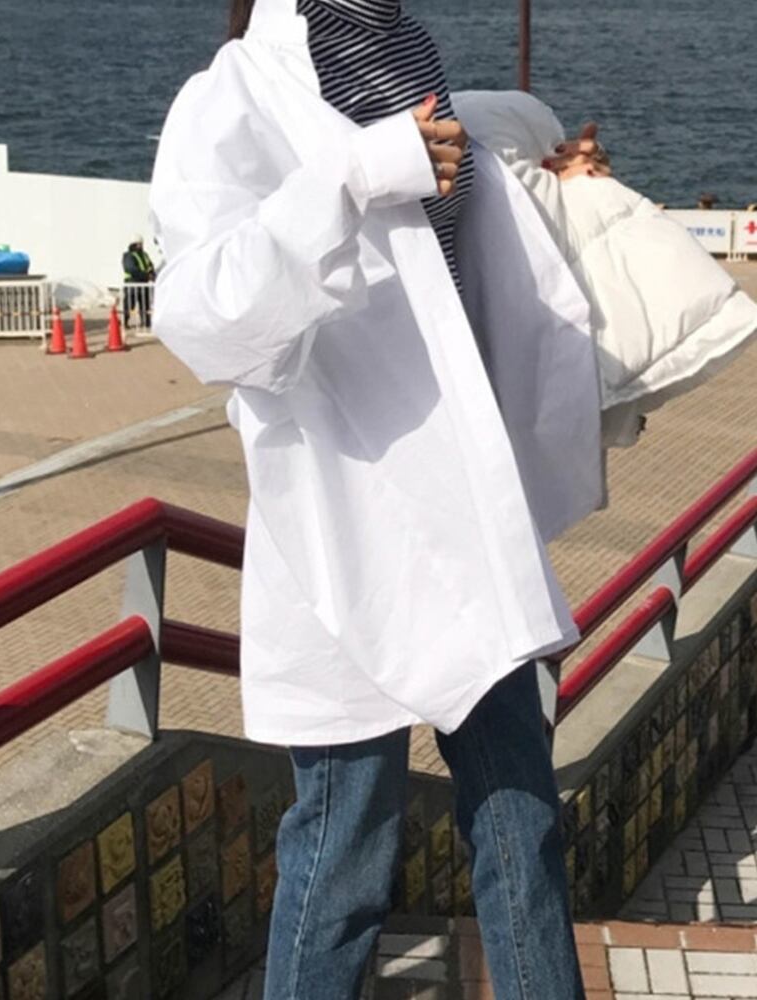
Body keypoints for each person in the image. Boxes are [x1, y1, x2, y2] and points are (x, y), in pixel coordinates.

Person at [150, 1, 614, 997]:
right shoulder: (231, 94)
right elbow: (198, 316)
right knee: (343, 852)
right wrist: (353, 176)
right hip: (347, 523)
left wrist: (545, 179)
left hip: (460, 513)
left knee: (522, 824)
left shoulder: (408, 46)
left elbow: (448, 246)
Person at [121, 236, 155, 329]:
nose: (140, 246)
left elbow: (150, 265)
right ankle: (125, 322)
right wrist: (146, 276)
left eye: (141, 244)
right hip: (132, 284)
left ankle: (146, 322)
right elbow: (131, 269)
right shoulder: (128, 256)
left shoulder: (145, 255)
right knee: (129, 304)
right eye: (138, 244)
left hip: (144, 284)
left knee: (145, 305)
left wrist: (151, 274)